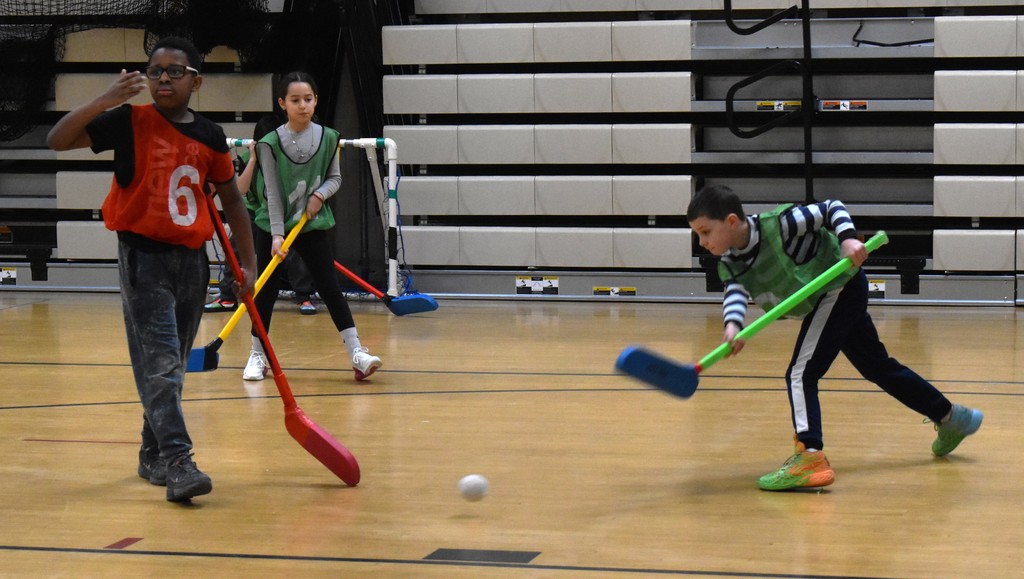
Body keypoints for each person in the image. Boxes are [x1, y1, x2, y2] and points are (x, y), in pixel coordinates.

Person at [46, 37, 258, 502]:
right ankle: (179, 461)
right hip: (143, 259)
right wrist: (106, 99)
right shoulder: (128, 121)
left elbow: (232, 201)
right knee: (160, 366)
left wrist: (248, 262)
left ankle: (151, 452)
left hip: (191, 262)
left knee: (173, 368)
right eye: (156, 70)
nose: (164, 77)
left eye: (175, 71)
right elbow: (57, 140)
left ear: (195, 81)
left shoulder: (209, 134)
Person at [686, 185, 983, 491]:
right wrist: (733, 327)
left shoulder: (781, 225)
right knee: (878, 367)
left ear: (732, 222)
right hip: (828, 297)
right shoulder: (730, 261)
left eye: (706, 232)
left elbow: (830, 208)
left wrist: (848, 239)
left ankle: (810, 456)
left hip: (838, 286)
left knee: (801, 373)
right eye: (698, 234)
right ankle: (952, 418)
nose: (702, 242)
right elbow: (735, 293)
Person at [243, 71, 382, 382]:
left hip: (312, 223)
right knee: (265, 293)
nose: (303, 105)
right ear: (282, 103)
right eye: (295, 100)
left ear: (316, 100)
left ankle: (357, 354)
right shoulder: (269, 143)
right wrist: (277, 234)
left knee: (330, 288)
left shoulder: (330, 138)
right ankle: (257, 354)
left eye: (308, 99)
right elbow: (272, 195)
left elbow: (335, 178)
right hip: (274, 226)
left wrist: (320, 194)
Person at [206, 118, 318, 316]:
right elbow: (240, 189)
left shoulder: (289, 158)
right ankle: (227, 296)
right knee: (235, 246)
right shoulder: (246, 157)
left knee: (294, 251)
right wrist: (253, 160)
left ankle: (304, 296)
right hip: (254, 211)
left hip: (283, 212)